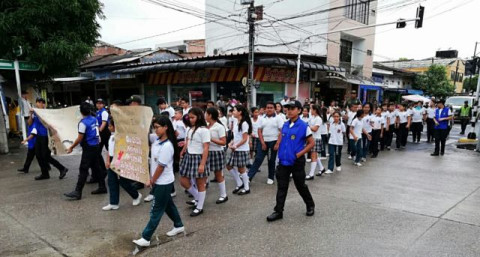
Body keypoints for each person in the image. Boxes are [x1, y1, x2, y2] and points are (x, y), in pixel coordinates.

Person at [133, 116, 185, 247]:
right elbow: (143, 135)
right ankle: (178, 225)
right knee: (168, 205)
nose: (155, 130)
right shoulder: (157, 140)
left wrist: (152, 181)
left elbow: (161, 166)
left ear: (166, 127)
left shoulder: (167, 146)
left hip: (163, 181)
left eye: (157, 127)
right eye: (154, 127)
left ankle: (146, 237)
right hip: (161, 181)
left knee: (156, 210)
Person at [266, 100, 315, 222]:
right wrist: (278, 144)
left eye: (292, 108)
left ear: (299, 110)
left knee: (300, 186)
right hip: (283, 161)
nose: (289, 111)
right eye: (288, 108)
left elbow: (311, 143)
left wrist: (299, 154)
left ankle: (310, 205)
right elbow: (282, 136)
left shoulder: (304, 126)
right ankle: (278, 211)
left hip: (296, 161)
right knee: (282, 187)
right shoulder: (285, 124)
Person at [64, 103, 106, 200]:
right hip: (95, 145)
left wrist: (71, 147)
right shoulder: (94, 119)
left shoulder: (83, 123)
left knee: (83, 169)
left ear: (81, 112)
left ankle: (78, 192)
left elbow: (80, 138)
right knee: (97, 167)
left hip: (89, 147)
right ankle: (102, 186)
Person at [102, 119, 142, 210]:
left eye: (110, 126)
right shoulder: (111, 136)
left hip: (120, 160)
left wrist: (117, 163)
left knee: (123, 181)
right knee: (112, 181)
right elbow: (109, 150)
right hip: (112, 159)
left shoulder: (121, 137)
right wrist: (108, 160)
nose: (108, 127)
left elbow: (122, 151)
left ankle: (136, 195)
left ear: (115, 127)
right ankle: (113, 203)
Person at [24, 98, 68, 180]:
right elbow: (29, 123)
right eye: (38, 102)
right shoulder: (35, 113)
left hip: (46, 137)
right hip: (38, 136)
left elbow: (50, 124)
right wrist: (30, 114)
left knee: (46, 156)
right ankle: (45, 173)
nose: (40, 104)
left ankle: (62, 168)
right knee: (38, 155)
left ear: (44, 104)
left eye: (42, 102)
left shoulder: (46, 113)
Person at [179, 108, 210, 216]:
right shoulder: (190, 129)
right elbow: (187, 142)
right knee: (183, 180)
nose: (190, 119)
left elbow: (206, 148)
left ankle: (199, 207)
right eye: (189, 117)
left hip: (198, 157)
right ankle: (197, 198)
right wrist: (183, 151)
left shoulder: (204, 130)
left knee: (200, 183)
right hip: (189, 156)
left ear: (199, 117)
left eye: (193, 117)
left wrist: (202, 164)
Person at [248, 102, 283, 184]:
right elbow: (259, 130)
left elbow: (282, 131)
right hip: (263, 141)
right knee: (258, 159)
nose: (269, 109)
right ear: (265, 109)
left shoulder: (278, 118)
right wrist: (262, 142)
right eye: (267, 107)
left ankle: (271, 177)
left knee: (271, 160)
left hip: (273, 142)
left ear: (274, 109)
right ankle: (249, 177)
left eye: (271, 107)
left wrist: (278, 143)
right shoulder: (261, 118)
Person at [226, 105, 252, 195]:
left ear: (240, 112)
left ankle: (246, 187)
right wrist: (231, 143)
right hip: (236, 148)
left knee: (241, 169)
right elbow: (236, 136)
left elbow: (245, 139)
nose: (233, 112)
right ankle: (239, 183)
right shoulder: (237, 122)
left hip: (242, 149)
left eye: (235, 110)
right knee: (228, 165)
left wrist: (235, 145)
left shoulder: (244, 123)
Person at [205, 107, 228, 204]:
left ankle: (223, 195)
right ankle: (199, 196)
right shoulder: (206, 126)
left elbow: (223, 142)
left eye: (206, 114)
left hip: (216, 152)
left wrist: (210, 138)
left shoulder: (219, 127)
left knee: (218, 174)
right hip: (207, 151)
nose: (205, 116)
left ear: (210, 115)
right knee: (203, 175)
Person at [306, 105, 325, 179]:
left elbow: (315, 129)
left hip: (316, 138)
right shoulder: (312, 118)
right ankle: (321, 168)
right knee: (315, 155)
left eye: (311, 109)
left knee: (313, 156)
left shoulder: (318, 119)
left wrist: (307, 126)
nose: (310, 110)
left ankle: (311, 174)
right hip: (311, 138)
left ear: (315, 110)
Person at [95, 98, 110, 177]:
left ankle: (106, 169)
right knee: (98, 152)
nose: (99, 105)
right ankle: (103, 170)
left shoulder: (104, 112)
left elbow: (104, 123)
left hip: (105, 133)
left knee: (110, 150)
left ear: (103, 104)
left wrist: (99, 132)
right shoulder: (97, 112)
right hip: (101, 134)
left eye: (100, 103)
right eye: (97, 103)